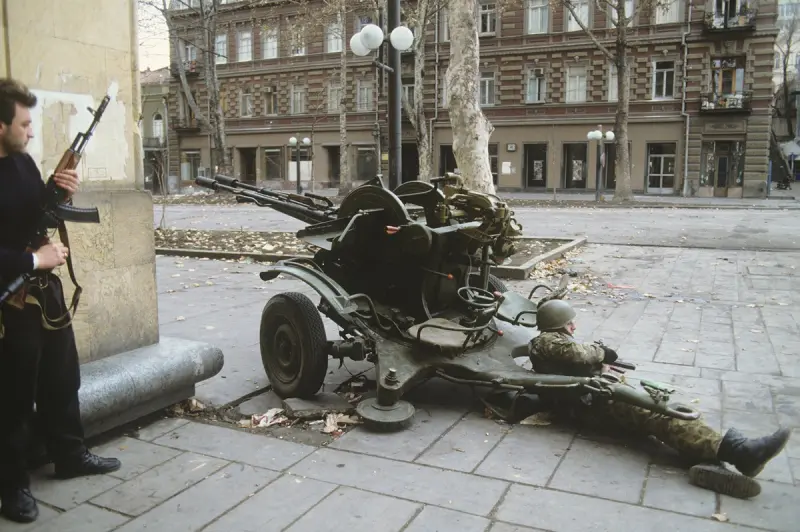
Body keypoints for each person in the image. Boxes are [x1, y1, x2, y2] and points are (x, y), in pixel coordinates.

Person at [0, 78, 121, 524]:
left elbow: (35, 212)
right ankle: (12, 486)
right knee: (14, 397)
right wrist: (35, 259)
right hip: (11, 304)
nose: (31, 130)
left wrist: (60, 191)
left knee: (62, 378)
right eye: (24, 123)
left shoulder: (22, 163)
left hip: (43, 292)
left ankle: (70, 455)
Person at [528, 299, 791, 500]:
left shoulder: (552, 341)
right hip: (593, 403)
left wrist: (602, 363)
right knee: (662, 414)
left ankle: (711, 460)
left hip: (594, 396)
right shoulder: (547, 342)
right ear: (556, 324)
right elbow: (581, 354)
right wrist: (601, 352)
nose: (574, 327)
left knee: (664, 413)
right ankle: (742, 452)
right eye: (569, 323)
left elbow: (578, 358)